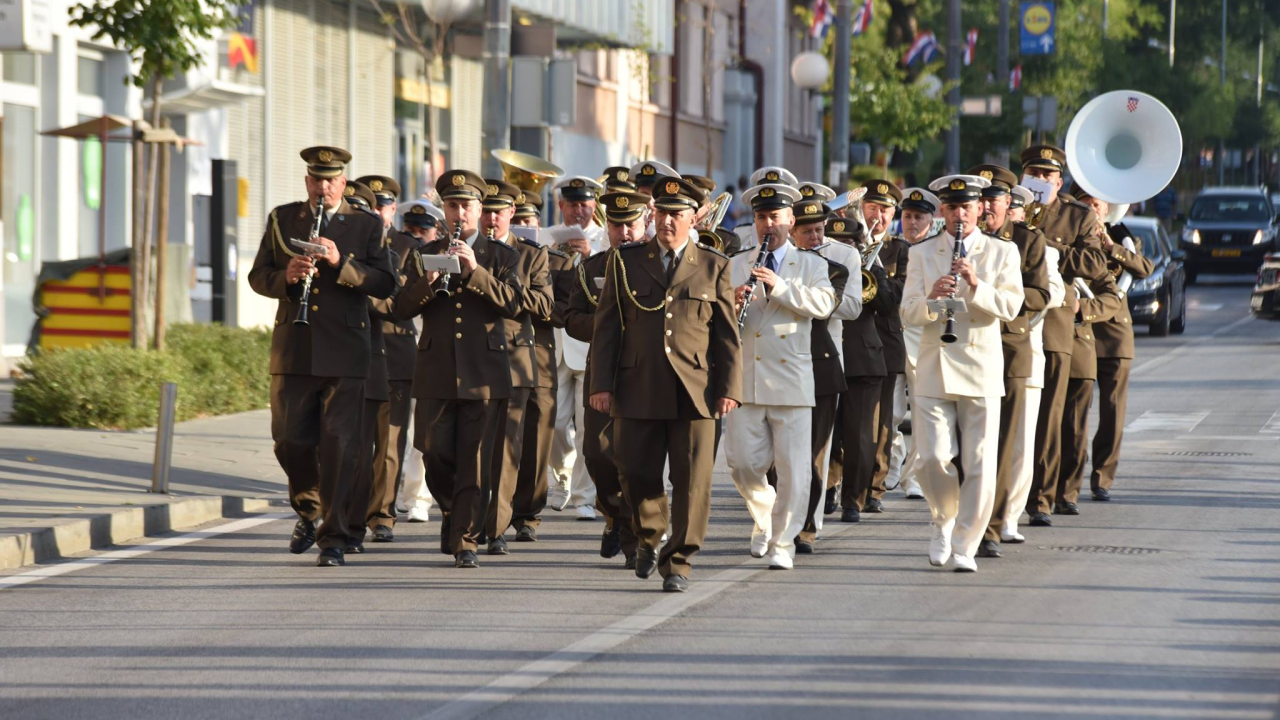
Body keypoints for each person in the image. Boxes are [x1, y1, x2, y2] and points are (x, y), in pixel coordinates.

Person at [589, 176, 742, 593]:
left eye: (677, 215)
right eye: (662, 213)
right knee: (635, 472)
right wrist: (601, 384)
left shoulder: (715, 265)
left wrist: (730, 387)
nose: (668, 222)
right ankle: (649, 534)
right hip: (637, 385)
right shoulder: (625, 261)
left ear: (694, 218)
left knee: (693, 483)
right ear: (652, 214)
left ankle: (679, 562)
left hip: (697, 390)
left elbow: (727, 336)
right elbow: (607, 330)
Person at [248, 146, 396, 567]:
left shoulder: (365, 224)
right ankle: (309, 508)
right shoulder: (282, 218)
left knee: (339, 447)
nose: (323, 186)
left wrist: (339, 261)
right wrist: (286, 278)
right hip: (294, 349)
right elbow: (258, 275)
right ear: (307, 182)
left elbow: (386, 283)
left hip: (346, 352)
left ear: (343, 184)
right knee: (289, 440)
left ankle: (332, 539)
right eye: (316, 179)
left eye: (331, 180)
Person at [392, 169, 523, 569]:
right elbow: (400, 308)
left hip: (485, 374)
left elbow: (516, 305)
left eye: (466, 205)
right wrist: (427, 282)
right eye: (452, 205)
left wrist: (475, 272)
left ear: (480, 210)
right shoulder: (421, 253)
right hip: (435, 371)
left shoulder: (502, 256)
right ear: (443, 210)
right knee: (435, 454)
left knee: (475, 459)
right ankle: (452, 511)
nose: (459, 213)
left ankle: (465, 539)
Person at [901, 174, 1023, 572]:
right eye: (951, 208)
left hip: (981, 367)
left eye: (965, 208)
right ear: (942, 211)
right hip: (935, 363)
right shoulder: (921, 253)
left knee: (981, 463)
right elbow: (907, 312)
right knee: (933, 458)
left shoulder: (1002, 252)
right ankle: (943, 520)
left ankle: (965, 545)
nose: (958, 215)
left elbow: (1011, 308)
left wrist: (974, 284)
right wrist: (933, 300)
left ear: (978, 209)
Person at [726, 186, 836, 569]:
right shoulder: (737, 262)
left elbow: (824, 305)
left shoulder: (811, 264)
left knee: (793, 468)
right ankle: (767, 516)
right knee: (742, 464)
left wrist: (781, 286)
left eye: (775, 217)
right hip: (746, 376)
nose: (767, 225)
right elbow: (713, 317)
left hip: (790, 377)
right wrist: (730, 302)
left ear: (791, 220)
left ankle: (783, 543)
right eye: (761, 218)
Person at [1018, 144, 1109, 529]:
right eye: (1032, 174)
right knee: (1013, 417)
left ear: (1059, 181)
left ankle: (1042, 497)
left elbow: (1094, 262)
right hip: (1013, 319)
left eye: (1046, 176)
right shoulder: (1011, 207)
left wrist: (1048, 250)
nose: (1038, 182)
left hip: (1055, 323)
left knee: (1050, 418)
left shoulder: (1078, 215)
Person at [564, 189, 652, 568]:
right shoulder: (591, 268)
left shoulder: (657, 266)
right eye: (617, 225)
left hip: (645, 373)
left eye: (631, 224)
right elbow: (569, 317)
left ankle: (634, 539)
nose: (625, 232)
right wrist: (608, 323)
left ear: (644, 222)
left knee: (635, 458)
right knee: (597, 455)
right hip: (602, 371)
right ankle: (614, 514)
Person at [967, 165, 1051, 560]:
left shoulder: (1026, 241)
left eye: (992, 200)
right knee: (963, 445)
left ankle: (993, 529)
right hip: (963, 350)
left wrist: (1004, 299)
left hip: (1009, 349)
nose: (984, 208)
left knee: (1003, 447)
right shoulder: (957, 240)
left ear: (1007, 202)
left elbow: (1040, 295)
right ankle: (962, 519)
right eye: (978, 200)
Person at [480, 179, 554, 555]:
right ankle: (463, 511)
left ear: (512, 213)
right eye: (486, 210)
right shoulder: (462, 248)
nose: (491, 218)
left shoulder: (531, 255)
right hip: (469, 360)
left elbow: (544, 306)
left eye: (498, 211)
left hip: (513, 359)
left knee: (508, 449)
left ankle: (495, 526)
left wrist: (503, 290)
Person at [1071, 185, 1153, 505]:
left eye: (1097, 204)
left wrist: (1111, 246)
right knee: (1075, 411)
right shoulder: (1071, 235)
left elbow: (1144, 269)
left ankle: (1102, 477)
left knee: (1112, 411)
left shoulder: (1121, 236)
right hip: (1080, 330)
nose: (1093, 210)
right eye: (1086, 204)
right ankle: (1070, 476)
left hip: (1115, 334)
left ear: (1106, 208)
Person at [789, 200, 859, 555]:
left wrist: (818, 298)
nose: (816, 237)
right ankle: (784, 515)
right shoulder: (780, 257)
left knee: (817, 451)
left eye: (820, 230)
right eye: (808, 231)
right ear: (792, 230)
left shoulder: (844, 257)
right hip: (782, 358)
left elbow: (853, 307)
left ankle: (808, 527)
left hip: (825, 351)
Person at [353, 175, 419, 545]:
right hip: (353, 350)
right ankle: (352, 513)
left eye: (385, 205)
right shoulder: (349, 240)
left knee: (390, 444)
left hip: (394, 352)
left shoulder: (408, 247)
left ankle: (382, 515)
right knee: (355, 444)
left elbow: (400, 299)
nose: (378, 212)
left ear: (394, 209)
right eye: (372, 205)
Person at [545, 176, 607, 518]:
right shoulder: (548, 238)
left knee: (587, 425)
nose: (579, 211)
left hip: (588, 346)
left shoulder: (603, 241)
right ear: (561, 206)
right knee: (553, 422)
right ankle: (562, 473)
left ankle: (584, 496)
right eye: (572, 205)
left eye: (585, 204)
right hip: (556, 345)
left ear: (594, 206)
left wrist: (589, 255)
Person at [860, 180, 909, 516]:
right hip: (849, 341)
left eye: (885, 210)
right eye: (873, 208)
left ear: (894, 215)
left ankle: (874, 488)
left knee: (882, 423)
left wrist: (872, 265)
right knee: (845, 419)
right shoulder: (845, 239)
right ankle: (839, 483)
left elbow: (893, 298)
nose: (878, 215)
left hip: (886, 342)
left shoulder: (901, 250)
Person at [393, 200, 443, 524]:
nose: (415, 238)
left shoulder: (443, 258)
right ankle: (407, 493)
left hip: (431, 349)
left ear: (436, 232)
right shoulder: (399, 257)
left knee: (422, 430)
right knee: (402, 428)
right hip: (400, 345)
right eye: (409, 230)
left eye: (423, 231)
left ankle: (418, 498)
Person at [893, 187, 940, 501]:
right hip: (890, 340)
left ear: (931, 219)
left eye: (918, 216)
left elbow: (950, 302)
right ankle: (892, 466)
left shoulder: (939, 253)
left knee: (923, 413)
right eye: (907, 216)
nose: (911, 222)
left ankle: (914, 477)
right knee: (891, 414)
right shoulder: (888, 249)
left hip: (925, 339)